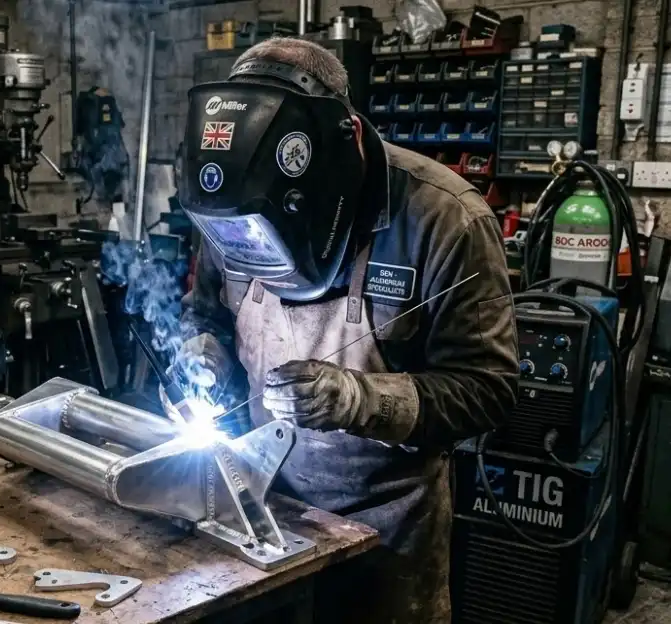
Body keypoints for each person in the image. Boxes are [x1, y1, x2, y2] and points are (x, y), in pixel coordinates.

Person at [167, 38, 519, 623]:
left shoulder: (445, 217)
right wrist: (202, 352)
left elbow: (489, 389)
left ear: (347, 140)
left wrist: (361, 398)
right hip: (262, 508)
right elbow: (207, 314)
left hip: (386, 533)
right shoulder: (228, 207)